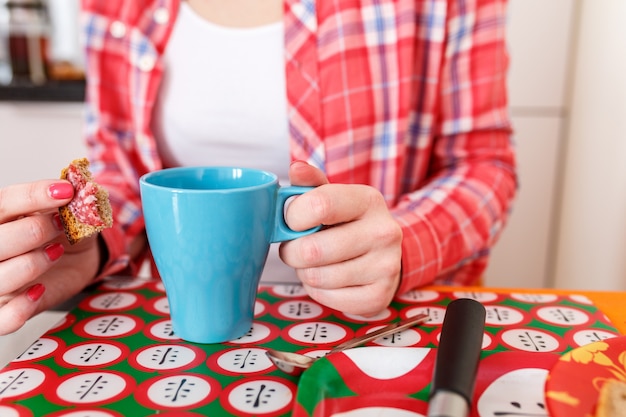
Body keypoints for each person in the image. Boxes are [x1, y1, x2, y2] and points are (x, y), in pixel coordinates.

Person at [0, 0, 516, 335]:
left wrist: (406, 243)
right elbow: (125, 168)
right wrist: (93, 243)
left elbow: (483, 164)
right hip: (177, 338)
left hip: (371, 331)